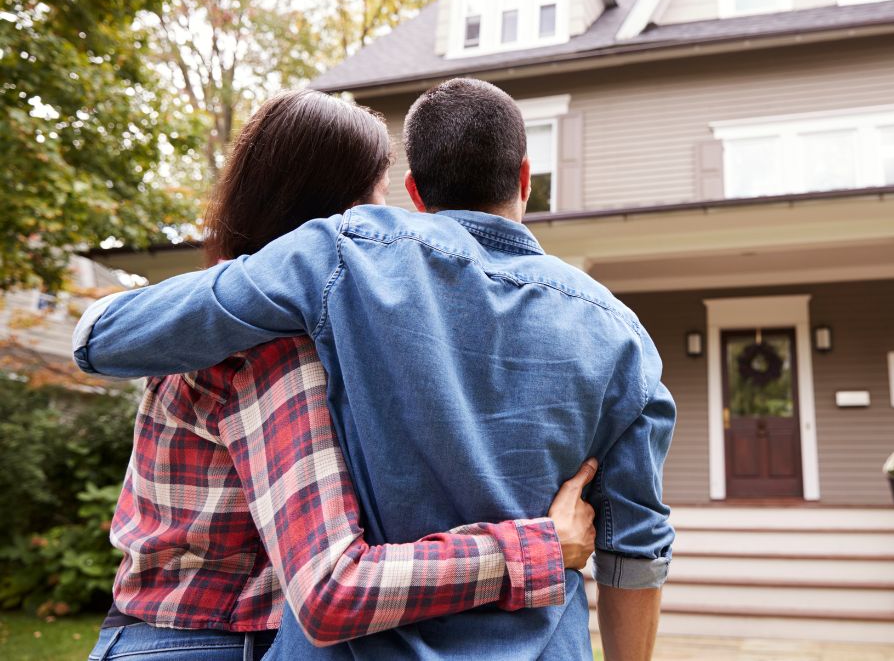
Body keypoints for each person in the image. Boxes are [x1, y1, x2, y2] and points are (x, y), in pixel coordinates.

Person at [75, 78, 676, 661]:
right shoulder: (623, 336)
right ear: (526, 179)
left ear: (416, 192)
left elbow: (101, 342)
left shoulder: (338, 261)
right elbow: (635, 546)